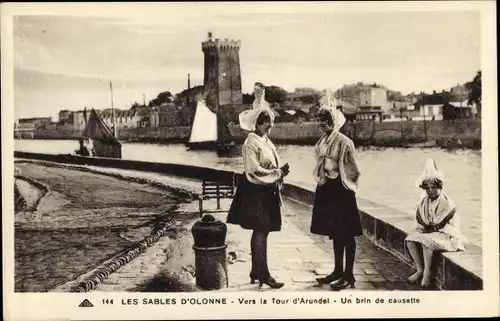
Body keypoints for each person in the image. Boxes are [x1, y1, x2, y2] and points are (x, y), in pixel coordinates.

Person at [226, 82, 289, 289]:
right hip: (256, 191)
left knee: (262, 231)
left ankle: (256, 270)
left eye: (270, 123)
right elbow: (254, 170)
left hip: (266, 190)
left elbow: (270, 164)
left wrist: (280, 172)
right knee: (261, 231)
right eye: (265, 124)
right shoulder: (251, 142)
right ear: (257, 124)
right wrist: (277, 173)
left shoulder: (265, 140)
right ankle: (263, 274)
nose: (269, 127)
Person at [310, 91, 363, 291]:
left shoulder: (343, 141)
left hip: (341, 190)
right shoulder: (323, 140)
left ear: (333, 122)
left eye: (324, 123)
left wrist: (347, 186)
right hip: (327, 188)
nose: (321, 127)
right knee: (335, 232)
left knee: (346, 233)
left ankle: (349, 276)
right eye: (319, 123)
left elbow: (354, 170)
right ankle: (338, 271)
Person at [405, 157, 465, 289]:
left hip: (446, 234)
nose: (430, 190)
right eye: (427, 188)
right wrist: (421, 229)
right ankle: (420, 269)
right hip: (431, 232)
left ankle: (427, 272)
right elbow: (422, 221)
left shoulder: (446, 202)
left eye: (433, 187)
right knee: (410, 239)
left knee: (427, 242)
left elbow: (446, 224)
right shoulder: (424, 201)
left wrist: (433, 230)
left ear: (440, 187)